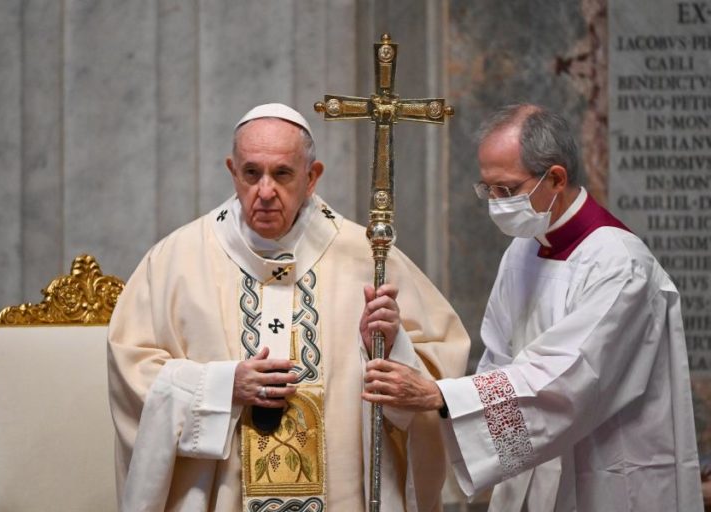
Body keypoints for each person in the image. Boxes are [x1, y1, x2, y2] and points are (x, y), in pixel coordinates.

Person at [107, 103, 470, 512]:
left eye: (282, 174)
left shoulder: (367, 257)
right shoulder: (176, 260)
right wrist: (225, 387)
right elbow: (132, 371)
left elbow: (438, 372)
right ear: (232, 170)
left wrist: (388, 345)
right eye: (251, 173)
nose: (265, 191)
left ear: (312, 177)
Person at [362, 104, 703, 511]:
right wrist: (409, 361)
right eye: (487, 189)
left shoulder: (620, 264)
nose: (495, 203)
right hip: (531, 468)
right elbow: (498, 362)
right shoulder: (524, 250)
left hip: (607, 472)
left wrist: (444, 396)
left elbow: (569, 380)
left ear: (555, 178)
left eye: (506, 190)